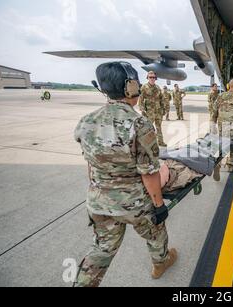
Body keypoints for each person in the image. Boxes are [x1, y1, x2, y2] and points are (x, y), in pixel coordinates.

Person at [73, 62, 177, 287]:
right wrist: (159, 206)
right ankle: (160, 263)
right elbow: (149, 172)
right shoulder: (139, 123)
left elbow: (90, 165)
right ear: (130, 87)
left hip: (99, 202)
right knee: (156, 232)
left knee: (101, 250)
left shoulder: (86, 121)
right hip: (135, 204)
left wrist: (100, 191)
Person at [138, 71, 167, 147]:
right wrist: (142, 109)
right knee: (148, 128)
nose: (152, 79)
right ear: (147, 78)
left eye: (153, 77)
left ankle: (160, 142)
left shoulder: (157, 87)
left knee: (159, 127)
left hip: (158, 111)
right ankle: (147, 144)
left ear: (155, 78)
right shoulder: (144, 87)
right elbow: (140, 99)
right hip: (149, 112)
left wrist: (163, 108)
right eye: (150, 77)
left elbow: (162, 98)